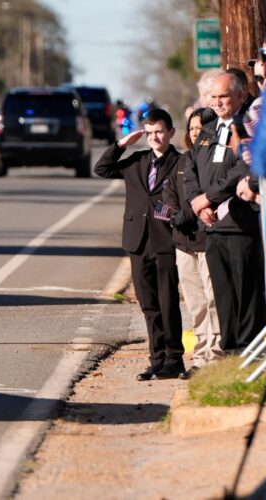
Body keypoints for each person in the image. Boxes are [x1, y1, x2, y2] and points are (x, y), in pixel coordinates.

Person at [95, 109, 185, 381]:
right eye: (150, 132)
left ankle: (174, 358)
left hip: (166, 239)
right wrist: (123, 144)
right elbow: (102, 169)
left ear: (170, 133)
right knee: (148, 303)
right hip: (138, 240)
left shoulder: (180, 163)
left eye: (159, 131)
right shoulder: (136, 160)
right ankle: (156, 359)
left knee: (168, 301)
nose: (155, 137)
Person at [183, 73, 266, 353]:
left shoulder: (248, 128)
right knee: (224, 294)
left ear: (241, 96)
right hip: (212, 227)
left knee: (247, 293)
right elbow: (190, 169)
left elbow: (242, 170)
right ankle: (229, 350)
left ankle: (248, 350)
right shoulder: (207, 131)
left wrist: (210, 197)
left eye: (224, 96)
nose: (218, 102)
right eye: (214, 97)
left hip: (241, 224)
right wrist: (198, 202)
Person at [163, 107, 222, 379]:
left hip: (209, 239)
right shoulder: (182, 161)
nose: (196, 133)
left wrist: (189, 212)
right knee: (196, 304)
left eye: (201, 127)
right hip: (184, 243)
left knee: (213, 302)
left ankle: (216, 355)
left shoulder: (219, 158)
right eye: (192, 128)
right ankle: (199, 356)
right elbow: (170, 196)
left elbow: (213, 194)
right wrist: (176, 215)